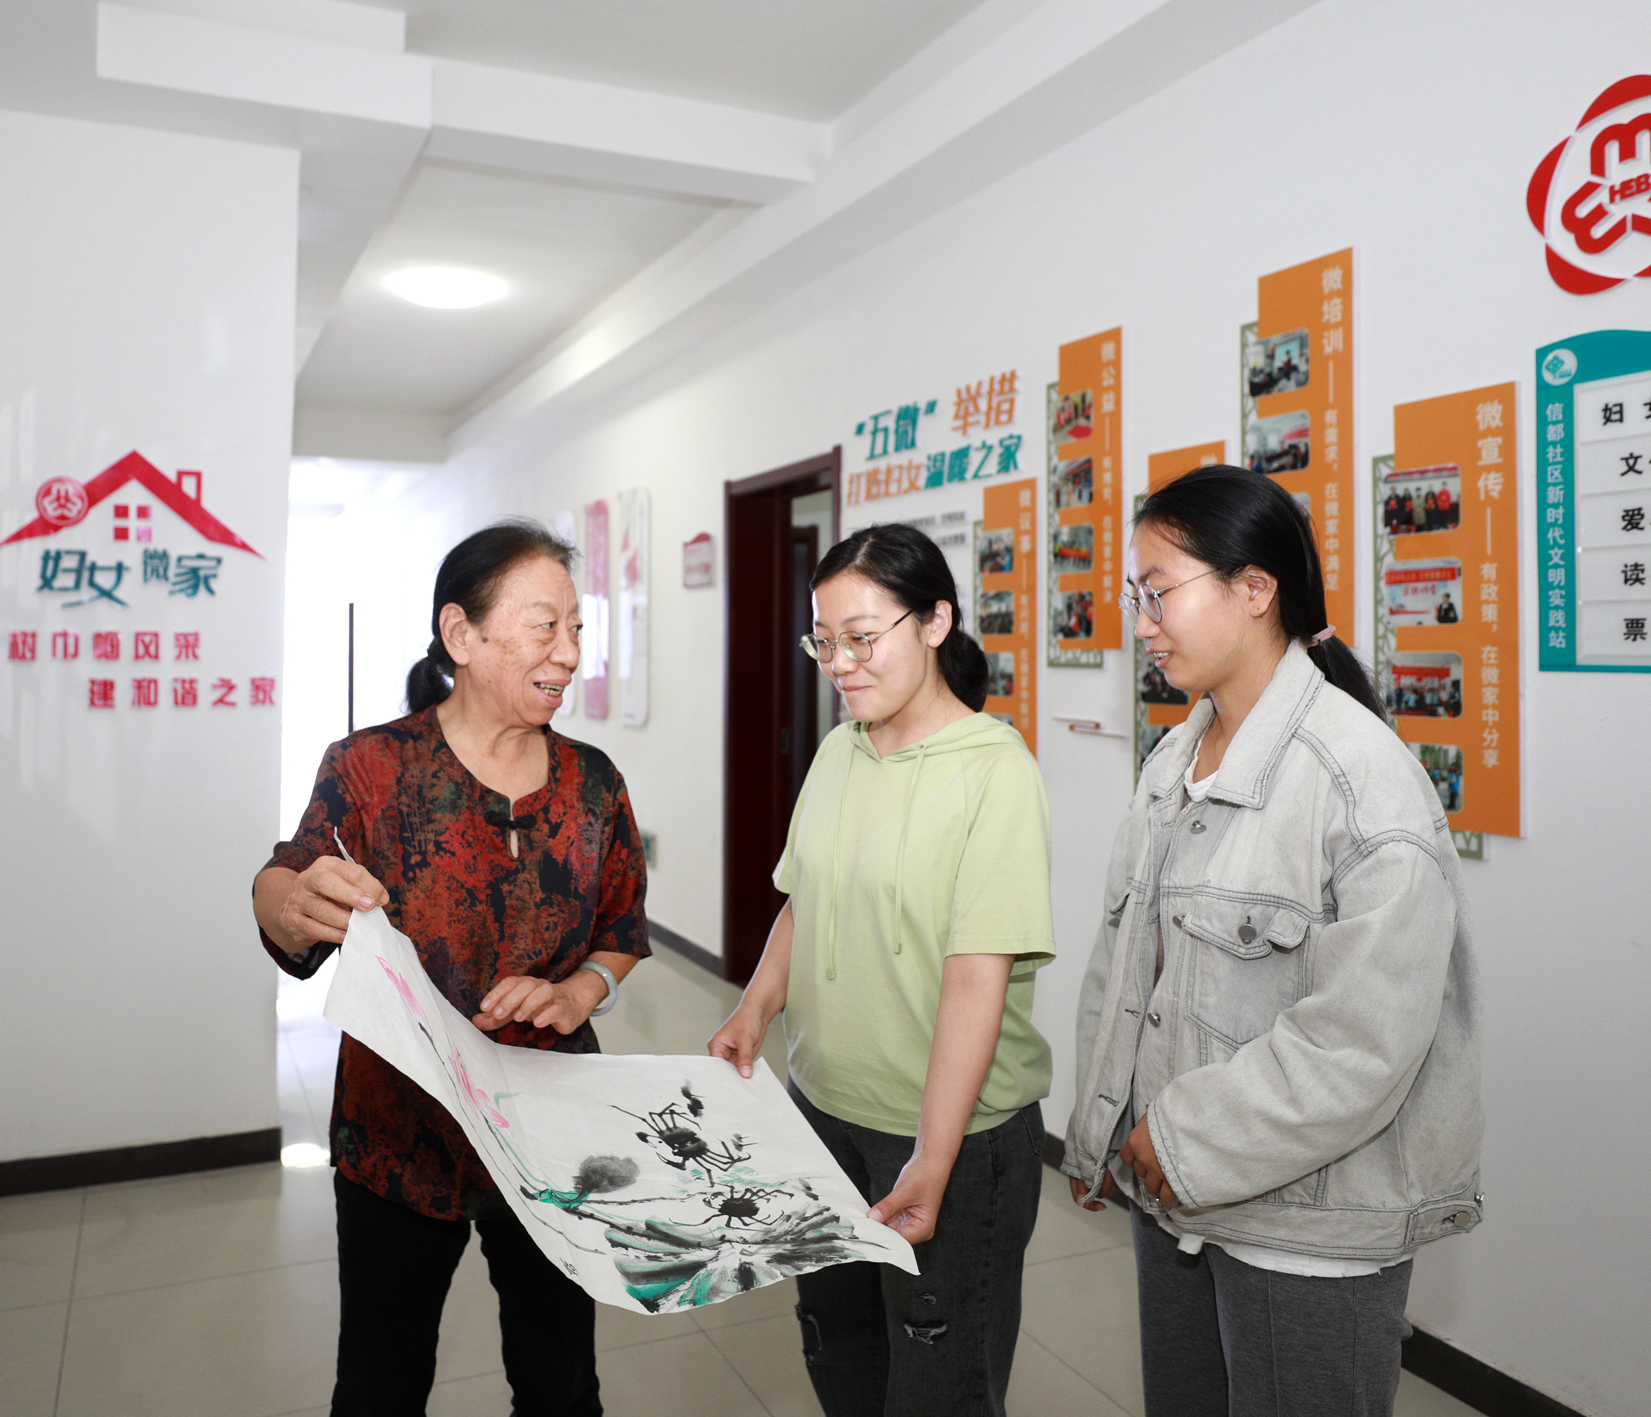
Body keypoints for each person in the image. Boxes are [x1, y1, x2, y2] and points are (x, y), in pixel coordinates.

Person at [1062, 466, 1482, 1417]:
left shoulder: (1360, 779)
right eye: (1136, 595)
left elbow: (1362, 1041)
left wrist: (1178, 1137)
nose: (1143, 623)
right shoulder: (1175, 758)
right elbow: (1125, 968)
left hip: (1304, 1230)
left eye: (1160, 591)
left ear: (1255, 589)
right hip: (1174, 1191)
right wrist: (1104, 1127)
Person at [252, 521, 649, 1417]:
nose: (568, 653)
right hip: (399, 1133)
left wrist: (580, 989)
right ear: (460, 634)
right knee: (381, 1386)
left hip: (550, 1133)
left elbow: (622, 926)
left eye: (576, 629)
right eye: (544, 627)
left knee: (561, 1384)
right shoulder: (370, 768)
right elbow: (285, 881)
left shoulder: (594, 783)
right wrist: (287, 899)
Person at [709, 522, 1055, 1417]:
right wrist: (755, 1009)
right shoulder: (840, 751)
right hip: (824, 1113)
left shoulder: (995, 772)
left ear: (935, 621)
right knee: (843, 1355)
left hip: (949, 1139)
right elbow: (804, 900)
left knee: (941, 1385)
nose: (840, 664)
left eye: (863, 638)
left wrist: (934, 1156)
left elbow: (977, 977)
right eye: (824, 641)